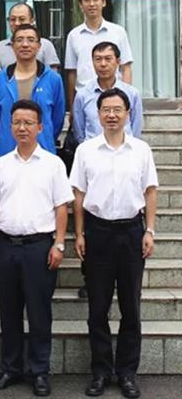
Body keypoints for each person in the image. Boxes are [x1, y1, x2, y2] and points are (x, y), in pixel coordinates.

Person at [70, 88, 158, 399]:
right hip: (98, 233)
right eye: (106, 109)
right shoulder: (86, 150)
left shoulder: (141, 150)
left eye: (117, 109)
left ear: (127, 113)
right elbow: (78, 195)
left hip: (132, 232)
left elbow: (150, 191)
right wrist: (79, 234)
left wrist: (150, 230)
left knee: (131, 308)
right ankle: (100, 371)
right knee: (98, 307)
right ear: (98, 114)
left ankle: (127, 373)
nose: (111, 115)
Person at [0, 100, 71, 397]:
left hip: (39, 247)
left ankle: (39, 371)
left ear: (40, 127)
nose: (22, 128)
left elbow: (62, 207)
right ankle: (10, 368)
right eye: (17, 123)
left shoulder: (53, 164)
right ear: (10, 126)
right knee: (8, 311)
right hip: (6, 246)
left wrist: (59, 244)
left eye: (28, 123)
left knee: (39, 312)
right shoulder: (1, 164)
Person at [0, 24, 65, 159]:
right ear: (12, 46)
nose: (25, 45)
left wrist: (45, 136)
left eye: (30, 40)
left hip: (43, 154)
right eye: (19, 40)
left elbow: (57, 119)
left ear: (39, 46)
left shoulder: (53, 79)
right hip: (7, 153)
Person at [65, 0, 133, 110]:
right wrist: (73, 106)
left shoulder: (118, 32)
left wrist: (126, 99)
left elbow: (126, 67)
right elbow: (72, 73)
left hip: (114, 98)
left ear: (104, 2)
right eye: (87, 0)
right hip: (85, 99)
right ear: (80, 4)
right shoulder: (74, 35)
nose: (91, 4)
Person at [73, 41, 142, 143]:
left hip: (124, 149)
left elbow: (136, 129)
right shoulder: (82, 95)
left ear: (118, 62)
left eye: (108, 59)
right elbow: (79, 131)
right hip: (93, 150)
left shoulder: (132, 94)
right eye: (98, 59)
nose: (103, 64)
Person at [0, 2, 60, 70]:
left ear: (32, 21)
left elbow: (52, 74)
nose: (17, 23)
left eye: (22, 19)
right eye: (13, 19)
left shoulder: (45, 45)